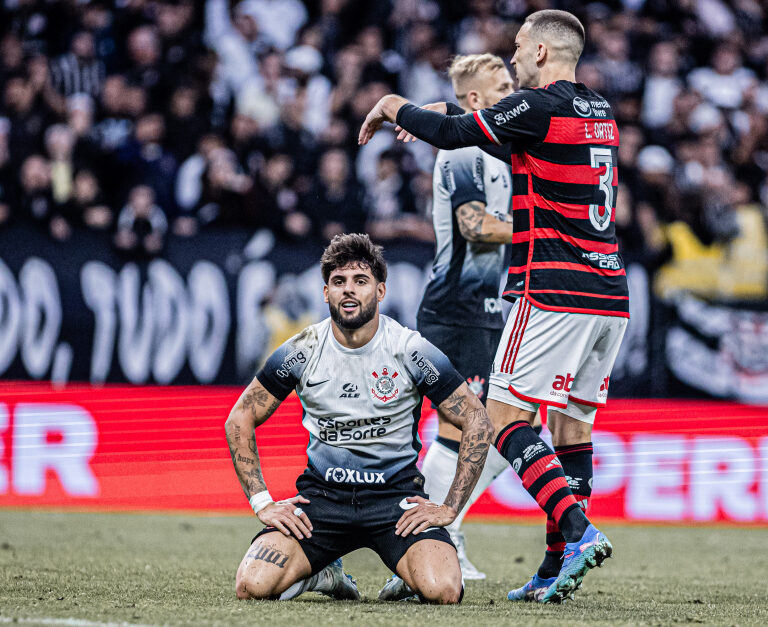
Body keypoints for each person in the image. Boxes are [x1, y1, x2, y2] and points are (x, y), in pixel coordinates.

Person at [359, 9, 627, 604]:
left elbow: (464, 137)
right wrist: (450, 113)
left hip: (552, 290)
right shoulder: (599, 113)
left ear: (538, 52)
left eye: (517, 46)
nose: (511, 55)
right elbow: (502, 142)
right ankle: (557, 566)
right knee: (571, 429)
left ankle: (578, 534)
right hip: (610, 294)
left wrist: (391, 103)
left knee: (502, 419)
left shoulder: (540, 106)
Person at [225, 233, 494, 604]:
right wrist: (263, 502)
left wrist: (449, 507)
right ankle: (325, 573)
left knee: (444, 590)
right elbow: (239, 417)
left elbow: (478, 420)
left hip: (395, 503)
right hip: (322, 501)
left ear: (380, 291)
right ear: (325, 293)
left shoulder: (409, 349)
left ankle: (409, 579)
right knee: (251, 585)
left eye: (360, 281)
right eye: (338, 282)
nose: (348, 290)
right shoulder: (302, 350)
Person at [384, 53, 516, 593]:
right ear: (478, 101)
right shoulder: (462, 151)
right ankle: (442, 534)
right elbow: (476, 226)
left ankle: (444, 526)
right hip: (456, 308)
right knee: (464, 427)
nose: (515, 89)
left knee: (498, 428)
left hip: (486, 308)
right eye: (503, 84)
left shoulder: (494, 146)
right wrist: (540, 229)